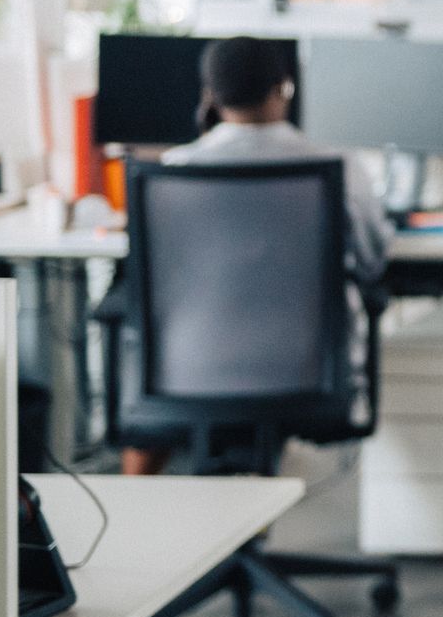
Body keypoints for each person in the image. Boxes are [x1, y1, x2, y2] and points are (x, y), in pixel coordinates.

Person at [115, 35, 391, 474]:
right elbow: (374, 259)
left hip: (187, 367)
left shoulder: (173, 171)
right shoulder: (339, 165)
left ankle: (131, 532)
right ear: (285, 88)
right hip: (306, 370)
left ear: (209, 95)